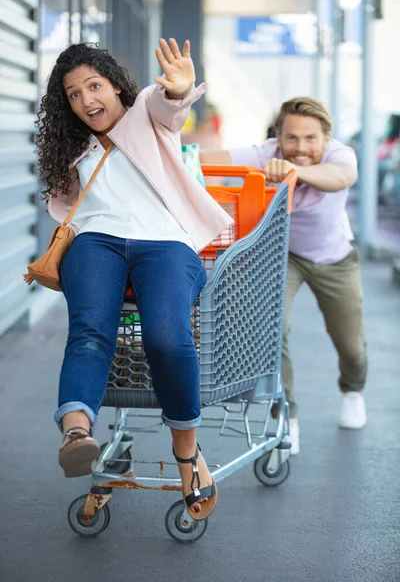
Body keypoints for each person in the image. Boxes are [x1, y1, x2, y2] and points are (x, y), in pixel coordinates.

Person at [35, 38, 233, 520]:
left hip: (165, 242)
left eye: (94, 86)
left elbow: (170, 105)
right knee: (89, 333)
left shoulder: (145, 110)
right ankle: (78, 433)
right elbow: (68, 203)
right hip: (95, 242)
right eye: (73, 94)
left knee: (167, 337)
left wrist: (181, 88)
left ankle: (186, 452)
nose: (86, 101)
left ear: (118, 87)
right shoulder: (71, 143)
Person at [200, 97, 368, 455]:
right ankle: (286, 414)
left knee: (352, 347)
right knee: (274, 331)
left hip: (334, 258)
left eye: (310, 139)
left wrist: (294, 173)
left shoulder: (340, 155)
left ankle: (352, 389)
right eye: (291, 138)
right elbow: (206, 159)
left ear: (326, 139)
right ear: (279, 136)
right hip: (283, 256)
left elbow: (341, 178)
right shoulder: (268, 152)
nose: (300, 147)